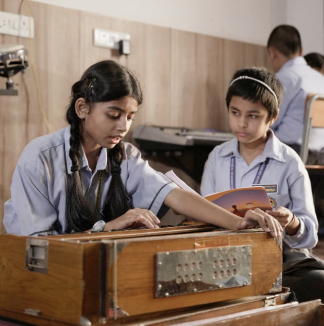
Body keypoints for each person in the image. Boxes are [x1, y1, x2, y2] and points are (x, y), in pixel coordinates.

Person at [3, 60, 282, 238]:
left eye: (131, 116)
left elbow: (177, 197)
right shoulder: (40, 159)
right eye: (114, 115)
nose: (124, 126)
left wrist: (238, 222)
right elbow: (38, 247)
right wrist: (106, 228)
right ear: (82, 108)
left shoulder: (125, 156)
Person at [201, 67, 324, 303]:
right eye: (235, 112)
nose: (242, 123)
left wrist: (292, 222)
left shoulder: (289, 161)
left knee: (317, 281)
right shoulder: (217, 157)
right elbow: (203, 211)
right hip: (225, 255)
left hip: (279, 258)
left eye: (253, 115)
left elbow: (310, 235)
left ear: (273, 117)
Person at [267, 24, 324, 164]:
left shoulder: (283, 79)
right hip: (320, 157)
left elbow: (268, 122)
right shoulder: (320, 79)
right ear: (301, 51)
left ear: (272, 53)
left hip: (293, 155)